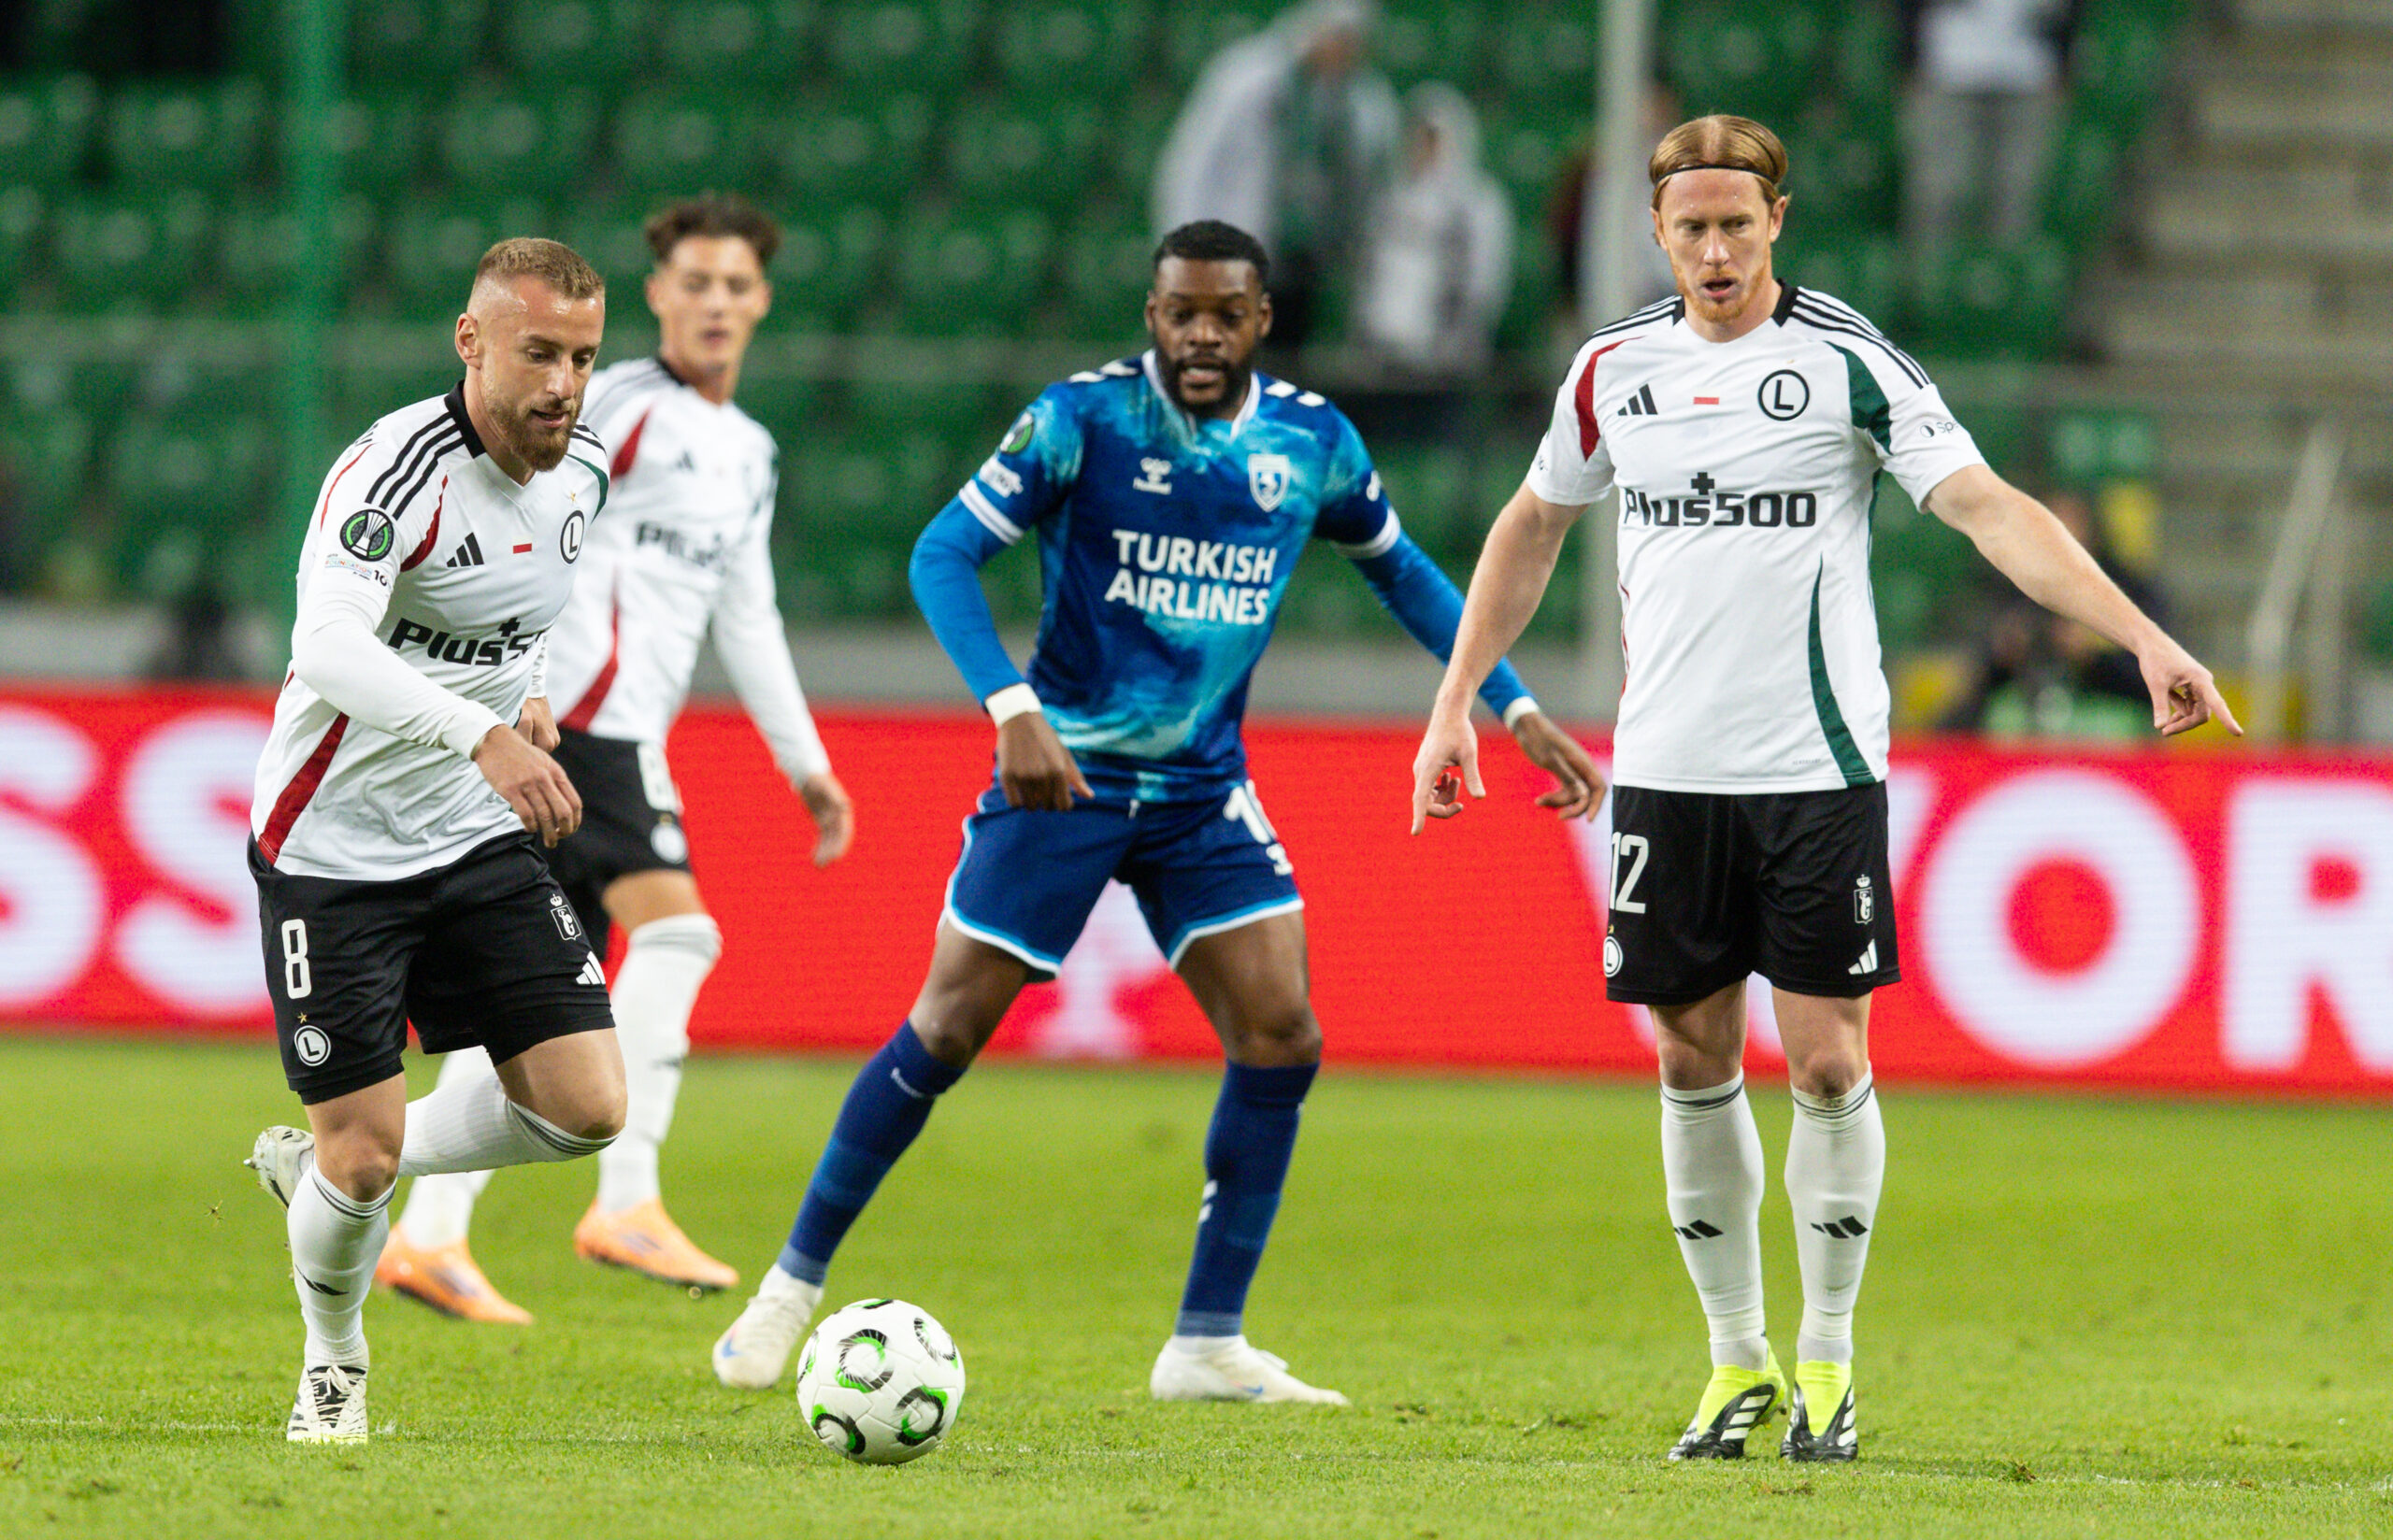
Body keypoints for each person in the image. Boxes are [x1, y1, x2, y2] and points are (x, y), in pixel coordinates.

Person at [1408, 116, 2236, 1462]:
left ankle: (1829, 1361)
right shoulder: (1614, 370)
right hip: (1667, 775)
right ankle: (1734, 1364)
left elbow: (1987, 506)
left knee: (1833, 1057)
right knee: (1690, 1055)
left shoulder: (1844, 360)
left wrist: (2142, 635)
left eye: (1739, 225)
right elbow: (1531, 526)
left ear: (1777, 221)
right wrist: (1456, 704)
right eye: (1692, 229)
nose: (1718, 250)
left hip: (1817, 772)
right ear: (1659, 233)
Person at [709, 220, 1605, 1404]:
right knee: (943, 1030)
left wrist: (1509, 698)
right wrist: (1010, 706)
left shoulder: (1311, 440)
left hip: (1197, 793)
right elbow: (941, 554)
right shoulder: (1085, 420)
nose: (1198, 333)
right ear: (1151, 313)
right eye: (1178, 311)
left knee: (1283, 1031)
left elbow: (1404, 570)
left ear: (1259, 319)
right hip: (1063, 776)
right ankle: (787, 1291)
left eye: (1222, 313)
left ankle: (1205, 1342)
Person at [378, 195, 856, 1322]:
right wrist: (523, 681)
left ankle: (423, 1235)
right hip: (577, 728)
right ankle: (627, 1196)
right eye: (695, 282)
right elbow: (520, 516)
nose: (716, 304)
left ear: (761, 302)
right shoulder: (620, 408)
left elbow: (750, 614)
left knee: (534, 1009)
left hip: (625, 732)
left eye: (736, 286)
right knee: (682, 930)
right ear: (658, 294)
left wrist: (806, 763)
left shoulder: (749, 453)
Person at [242, 238, 626, 1443]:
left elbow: (526, 601)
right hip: (336, 849)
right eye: (538, 354)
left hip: (468, 838)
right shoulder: (392, 473)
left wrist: (530, 691)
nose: (563, 384)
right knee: (360, 1161)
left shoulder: (586, 470)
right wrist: (482, 734)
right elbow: (330, 646)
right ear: (471, 343)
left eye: (581, 357)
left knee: (586, 1109)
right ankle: (333, 1359)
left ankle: (338, 1175)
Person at [1152, 0, 1399, 350]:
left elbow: (1370, 183)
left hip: (1306, 262)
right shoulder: (1245, 78)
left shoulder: (1361, 102)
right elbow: (1193, 165)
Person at [1354, 82, 1512, 382]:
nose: (1422, 148)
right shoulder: (1391, 198)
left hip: (1447, 359)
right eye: (1416, 138)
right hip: (1386, 355)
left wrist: (1458, 336)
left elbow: (1484, 278)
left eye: (1432, 140)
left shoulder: (1478, 203)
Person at [1900, 0, 2073, 245]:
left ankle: (2011, 276)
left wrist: (2064, 55)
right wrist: (1908, 55)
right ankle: (1929, 276)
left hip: (2028, 74)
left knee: (2017, 196)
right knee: (1942, 193)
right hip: (1950, 69)